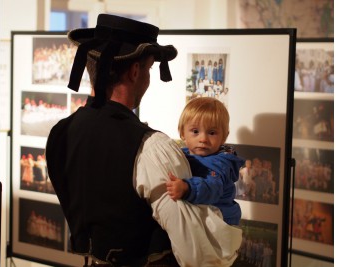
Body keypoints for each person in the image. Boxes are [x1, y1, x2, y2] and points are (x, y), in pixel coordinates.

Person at [45, 14, 242, 267]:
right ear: (136, 71)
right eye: (149, 69)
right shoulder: (152, 147)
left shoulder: (60, 133)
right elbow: (196, 254)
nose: (148, 78)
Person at [166, 97, 245, 225]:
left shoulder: (219, 163)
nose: (203, 139)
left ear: (224, 136)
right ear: (182, 133)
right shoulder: (182, 154)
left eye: (212, 132)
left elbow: (212, 187)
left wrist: (187, 188)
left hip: (220, 223)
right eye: (195, 131)